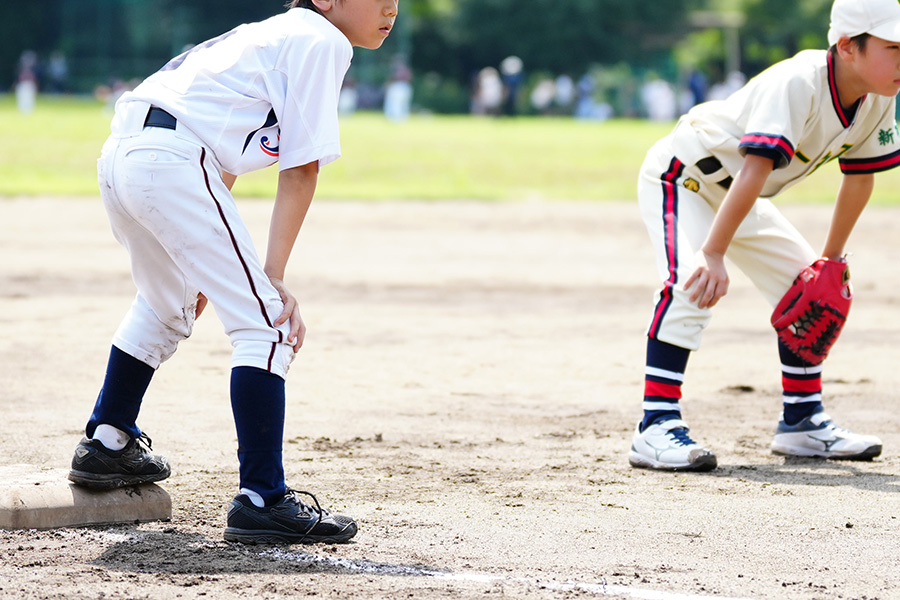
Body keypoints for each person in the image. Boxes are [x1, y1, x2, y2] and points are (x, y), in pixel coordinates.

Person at [67, 0, 399, 544]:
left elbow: (223, 154)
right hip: (171, 162)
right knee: (267, 324)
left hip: (126, 155)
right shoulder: (321, 39)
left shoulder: (275, 35)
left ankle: (107, 443)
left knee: (167, 304)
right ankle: (262, 499)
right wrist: (270, 276)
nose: (391, 7)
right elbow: (302, 167)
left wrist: (211, 263)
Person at [630, 0, 900, 471]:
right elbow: (755, 168)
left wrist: (829, 262)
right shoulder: (799, 82)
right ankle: (655, 425)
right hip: (685, 176)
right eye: (893, 47)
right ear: (847, 47)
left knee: (811, 289)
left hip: (739, 192)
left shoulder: (879, 98)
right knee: (692, 282)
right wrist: (712, 252)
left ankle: (801, 422)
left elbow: (860, 177)